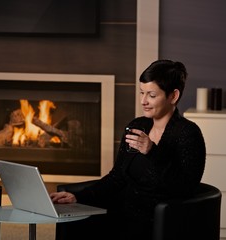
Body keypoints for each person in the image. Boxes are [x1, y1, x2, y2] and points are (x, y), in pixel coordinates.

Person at [50, 59, 206, 240]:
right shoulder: (137, 125)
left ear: (173, 96)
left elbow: (185, 188)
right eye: (141, 93)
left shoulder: (188, 133)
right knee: (73, 222)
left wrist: (153, 152)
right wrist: (78, 196)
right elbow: (117, 177)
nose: (143, 101)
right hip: (122, 210)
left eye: (151, 95)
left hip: (159, 219)